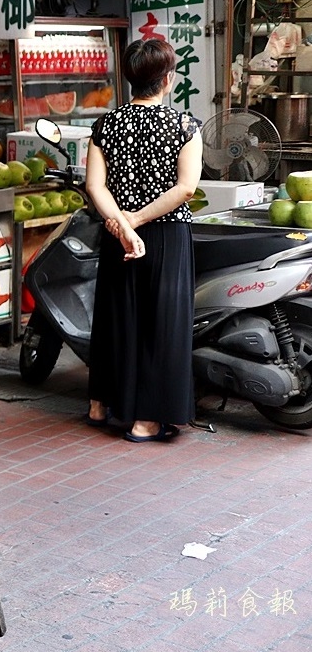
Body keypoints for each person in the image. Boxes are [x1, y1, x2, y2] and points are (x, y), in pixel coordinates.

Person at [84, 38, 202, 443]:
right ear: (167, 80)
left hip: (118, 236)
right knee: (162, 324)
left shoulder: (105, 125)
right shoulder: (184, 125)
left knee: (117, 318)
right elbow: (186, 189)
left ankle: (101, 404)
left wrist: (122, 224)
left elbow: (94, 186)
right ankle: (147, 419)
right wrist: (135, 220)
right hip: (167, 235)